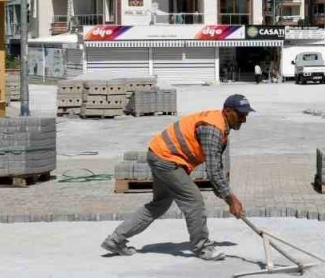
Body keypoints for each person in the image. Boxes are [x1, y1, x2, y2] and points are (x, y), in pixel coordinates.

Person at [101, 95, 253, 260]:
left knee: (159, 204)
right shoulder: (213, 128)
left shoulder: (221, 123)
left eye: (246, 115)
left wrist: (226, 196)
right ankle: (202, 247)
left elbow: (216, 166)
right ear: (228, 111)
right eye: (240, 114)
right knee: (194, 201)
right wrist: (231, 199)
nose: (243, 119)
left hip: (160, 154)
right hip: (167, 160)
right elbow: (213, 170)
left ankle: (115, 240)